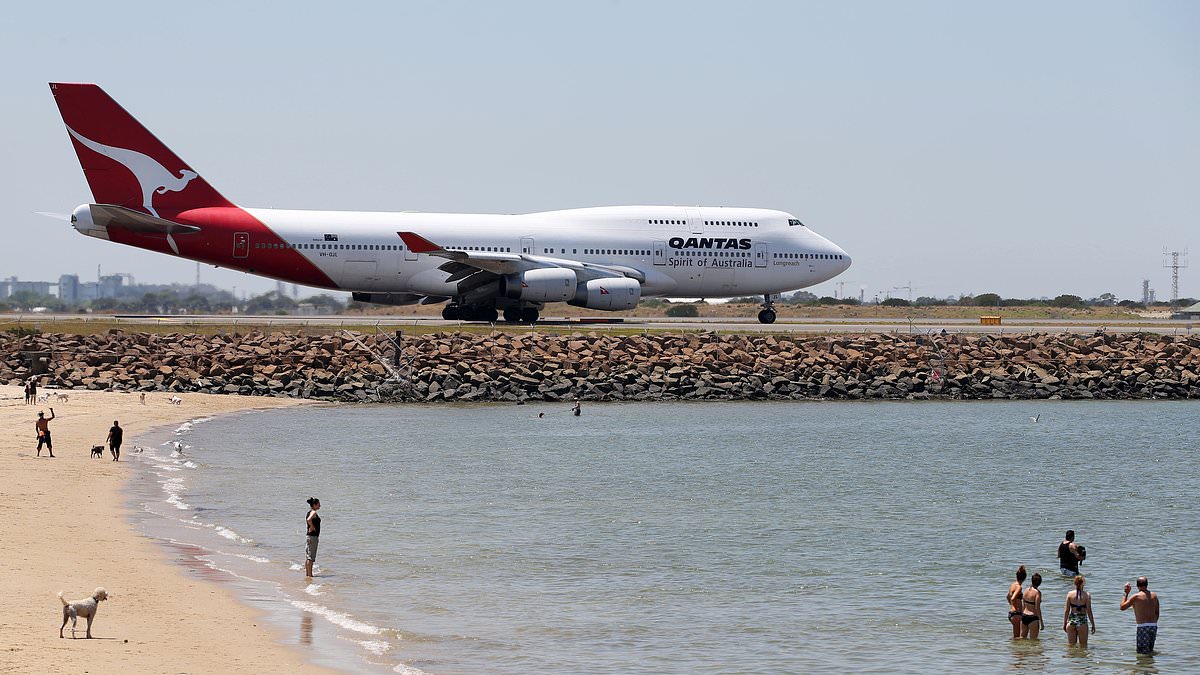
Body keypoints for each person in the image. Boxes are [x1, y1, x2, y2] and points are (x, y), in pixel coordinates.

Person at [1120, 576, 1160, 655]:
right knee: (1150, 651)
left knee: (1142, 653)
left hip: (1142, 627)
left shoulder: (1136, 597)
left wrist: (1126, 593)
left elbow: (1122, 607)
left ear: (1137, 586)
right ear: (1147, 585)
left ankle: (1143, 667)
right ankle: (1149, 666)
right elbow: (1157, 612)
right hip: (1153, 626)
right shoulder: (1154, 596)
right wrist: (1153, 623)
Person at [1063, 575, 1096, 647]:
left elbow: (1066, 610)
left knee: (1071, 647)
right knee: (1083, 647)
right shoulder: (1087, 595)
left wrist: (1065, 623)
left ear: (1074, 583)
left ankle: (1072, 658)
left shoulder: (1069, 594)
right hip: (1082, 621)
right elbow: (1089, 611)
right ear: (1083, 583)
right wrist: (1093, 624)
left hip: (1071, 621)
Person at [1020, 573, 1044, 639]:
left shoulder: (1026, 590)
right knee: (1033, 641)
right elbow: (1037, 608)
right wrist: (1041, 622)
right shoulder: (1037, 593)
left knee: (1022, 638)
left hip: (1024, 615)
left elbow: (1023, 604)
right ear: (1040, 582)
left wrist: (1022, 616)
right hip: (1033, 617)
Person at [1007, 565, 1028, 638]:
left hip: (1012, 614)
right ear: (1024, 578)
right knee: (1017, 638)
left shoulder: (1012, 585)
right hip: (1016, 613)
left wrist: (1011, 606)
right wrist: (1014, 608)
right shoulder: (1019, 587)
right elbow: (1012, 598)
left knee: (1016, 637)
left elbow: (1007, 597)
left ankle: (1014, 649)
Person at [304, 497, 322, 578]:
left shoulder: (309, 512)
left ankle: (308, 574)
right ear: (314, 505)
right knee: (311, 557)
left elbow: (308, 519)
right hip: (313, 537)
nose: (320, 506)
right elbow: (309, 520)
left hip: (309, 536)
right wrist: (312, 527)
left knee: (308, 556)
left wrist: (311, 526)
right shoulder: (313, 512)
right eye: (318, 504)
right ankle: (310, 575)